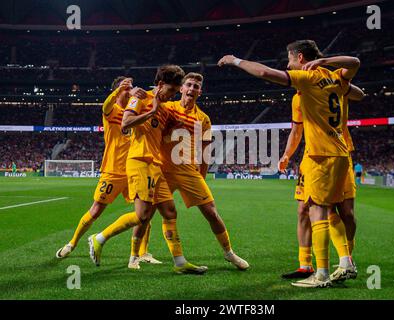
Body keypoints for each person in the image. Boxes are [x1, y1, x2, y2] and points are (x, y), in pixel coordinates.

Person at [218, 39, 360, 288]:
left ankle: (322, 274)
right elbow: (357, 71)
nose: (288, 64)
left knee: (318, 210)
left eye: (290, 59)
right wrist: (327, 64)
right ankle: (345, 261)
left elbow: (264, 72)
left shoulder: (307, 79)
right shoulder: (336, 78)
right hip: (341, 152)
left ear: (301, 58)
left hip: (320, 155)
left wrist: (235, 61)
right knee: (329, 210)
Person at [88, 65, 207, 274]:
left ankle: (180, 263)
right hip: (139, 160)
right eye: (170, 90)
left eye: (174, 91)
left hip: (155, 164)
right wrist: (150, 110)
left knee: (170, 211)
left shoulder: (164, 105)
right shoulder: (142, 98)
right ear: (160, 84)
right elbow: (126, 122)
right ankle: (99, 238)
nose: (172, 95)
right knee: (142, 216)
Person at [136, 72, 249, 270]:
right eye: (188, 85)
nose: (191, 89)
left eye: (195, 87)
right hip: (162, 169)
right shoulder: (167, 107)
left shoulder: (203, 119)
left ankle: (229, 253)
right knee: (147, 212)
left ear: (200, 92)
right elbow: (153, 99)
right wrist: (136, 93)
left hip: (188, 171)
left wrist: (202, 177)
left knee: (211, 212)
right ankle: (139, 253)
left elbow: (205, 153)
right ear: (181, 88)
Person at [55, 77, 162, 263]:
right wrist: (117, 91)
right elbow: (105, 106)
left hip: (134, 169)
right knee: (96, 210)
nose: (130, 90)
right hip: (113, 170)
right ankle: (72, 243)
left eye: (131, 87)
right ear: (118, 90)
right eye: (126, 88)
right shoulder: (111, 111)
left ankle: (142, 253)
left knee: (144, 213)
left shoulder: (134, 110)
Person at [279, 84, 364, 280]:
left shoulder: (334, 84)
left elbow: (359, 94)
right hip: (313, 157)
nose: (289, 67)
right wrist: (287, 155)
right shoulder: (298, 97)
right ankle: (305, 264)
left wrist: (339, 80)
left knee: (346, 213)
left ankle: (346, 261)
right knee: (305, 209)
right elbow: (296, 130)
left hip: (340, 154)